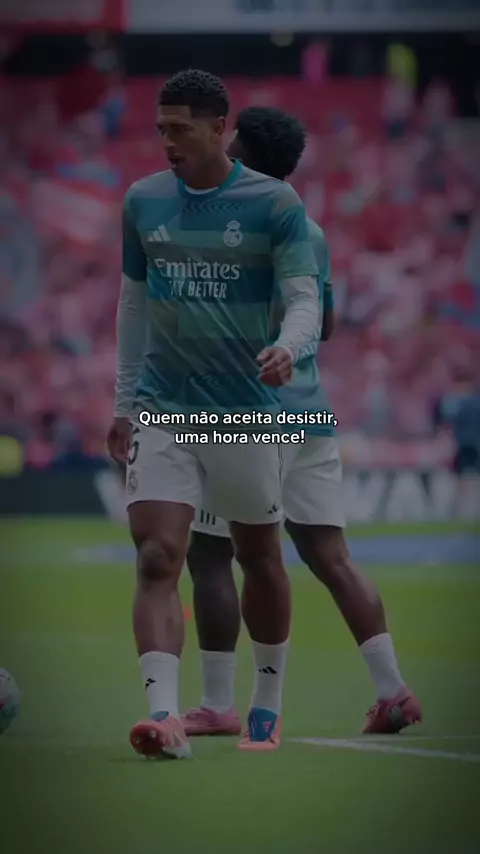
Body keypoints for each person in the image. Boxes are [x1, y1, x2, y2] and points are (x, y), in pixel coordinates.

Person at [184, 106, 422, 738]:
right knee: (332, 557)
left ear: (243, 154)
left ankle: (219, 703)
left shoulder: (223, 224)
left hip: (243, 412)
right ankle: (392, 688)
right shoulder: (308, 229)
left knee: (211, 552)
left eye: (231, 144)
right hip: (309, 412)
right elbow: (326, 323)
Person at [106, 71, 321, 759]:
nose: (167, 141)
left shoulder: (274, 202)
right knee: (158, 555)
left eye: (181, 128)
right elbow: (133, 306)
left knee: (259, 558)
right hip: (165, 406)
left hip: (243, 413)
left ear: (219, 126)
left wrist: (289, 347)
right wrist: (124, 402)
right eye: (161, 129)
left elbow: (305, 299)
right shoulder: (143, 201)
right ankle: (165, 717)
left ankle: (265, 707)